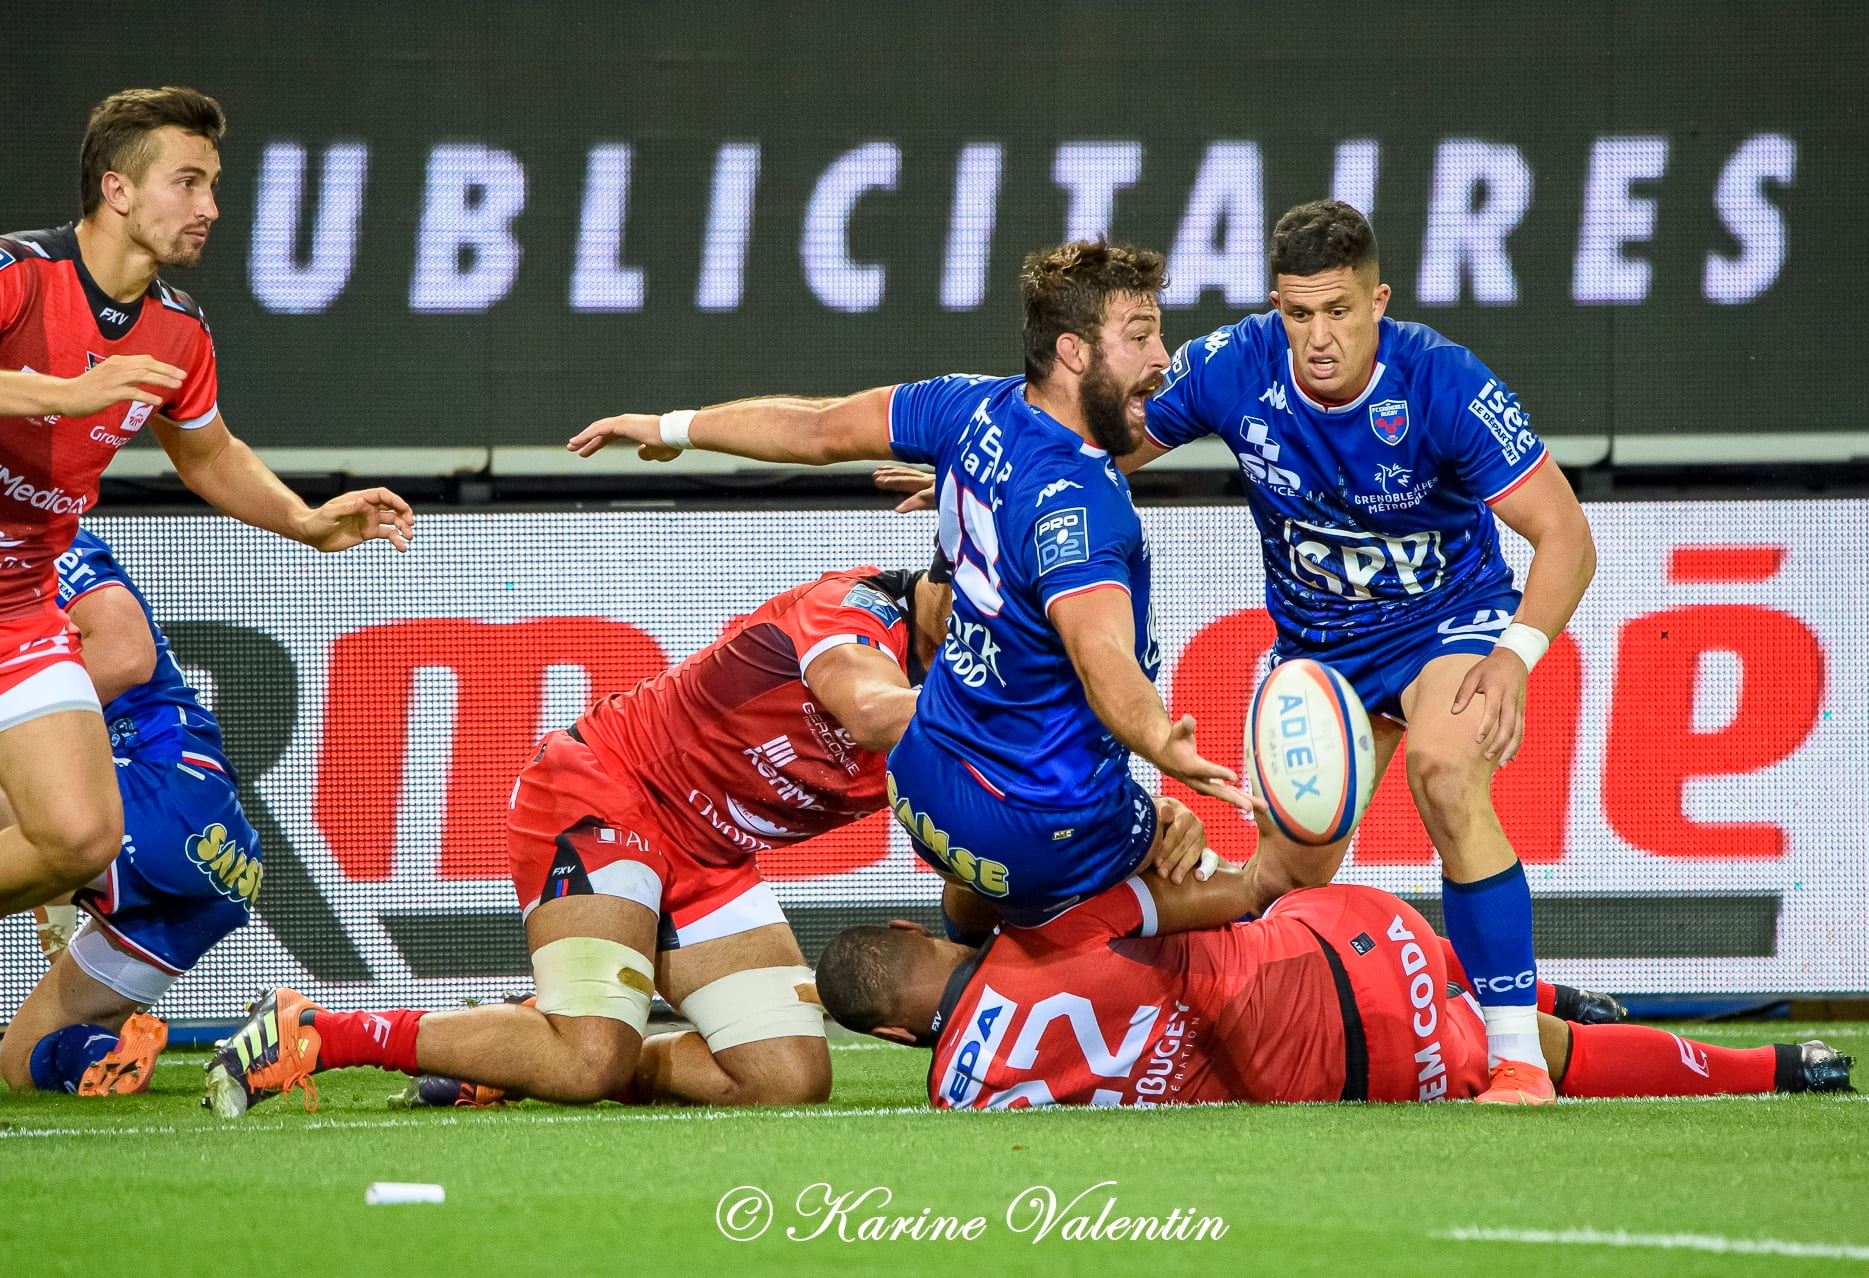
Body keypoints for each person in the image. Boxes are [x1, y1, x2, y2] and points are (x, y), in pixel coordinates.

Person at [886, 203, 1598, 1103]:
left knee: (1446, 773)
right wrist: (995, 476)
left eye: (1340, 311)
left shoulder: (1444, 381)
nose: (1320, 337)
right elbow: (1114, 435)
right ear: (1276, 307)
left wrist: (1515, 656)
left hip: (1445, 628)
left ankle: (1519, 1063)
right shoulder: (1236, 362)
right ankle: (1514, 997)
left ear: (1379, 301)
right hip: (1321, 658)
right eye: (1300, 315)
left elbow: (1567, 536)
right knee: (1278, 878)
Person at [205, 564, 1175, 1115]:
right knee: (589, 1063)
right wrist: (1027, 729)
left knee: (785, 1083)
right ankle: (320, 1028)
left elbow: (975, 890)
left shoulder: (964, 707)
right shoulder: (849, 617)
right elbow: (873, 711)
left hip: (707, 862)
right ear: (938, 590)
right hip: (602, 792)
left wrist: (1114, 826)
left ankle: (498, 1047)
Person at [565, 240, 1278, 944]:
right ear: (1072, 353)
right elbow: (1101, 657)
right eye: (1141, 336)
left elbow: (817, 428)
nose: (1162, 359)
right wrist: (1160, 743)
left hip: (926, 779)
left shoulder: (967, 409)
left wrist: (671, 428)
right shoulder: (1083, 505)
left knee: (1029, 891)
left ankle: (982, 945)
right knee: (1261, 889)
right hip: (1040, 823)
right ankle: (990, 996)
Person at [0, 86, 413, 924]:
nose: (210, 208)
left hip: (20, 602)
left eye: (212, 186)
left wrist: (303, 519)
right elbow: (65, 393)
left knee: (80, 838)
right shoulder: (18, 274)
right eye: (188, 183)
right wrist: (62, 391)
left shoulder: (180, 330)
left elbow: (209, 453)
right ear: (118, 190)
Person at [813, 867, 1854, 1109]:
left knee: (1548, 1068)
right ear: (914, 928)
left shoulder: (962, 1098)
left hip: (1368, 1071)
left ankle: (1788, 1069)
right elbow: (1227, 891)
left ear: (903, 1042)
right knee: (1285, 909)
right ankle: (1527, 999)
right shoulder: (1052, 915)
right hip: (1360, 944)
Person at [0, 528, 264, 1096]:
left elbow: (126, 652)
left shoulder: (31, 534)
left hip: (162, 792)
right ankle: (108, 1056)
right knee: (25, 1062)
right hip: (212, 858)